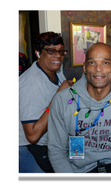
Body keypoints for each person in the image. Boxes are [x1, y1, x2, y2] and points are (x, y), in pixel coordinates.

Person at [47, 42, 111, 173]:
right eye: (92, 63)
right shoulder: (62, 100)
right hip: (75, 170)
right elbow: (56, 151)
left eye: (105, 63)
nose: (98, 69)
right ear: (84, 68)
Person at [19, 32, 73, 173]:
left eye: (61, 51)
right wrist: (58, 97)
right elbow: (32, 135)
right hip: (26, 149)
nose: (58, 56)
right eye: (51, 51)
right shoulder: (31, 84)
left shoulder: (56, 70)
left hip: (51, 143)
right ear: (38, 53)